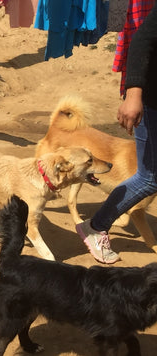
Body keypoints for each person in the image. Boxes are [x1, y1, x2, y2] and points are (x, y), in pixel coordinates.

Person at [76, 6, 157, 264]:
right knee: (150, 177)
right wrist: (134, 94)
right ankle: (96, 226)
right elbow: (143, 41)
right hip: (152, 99)